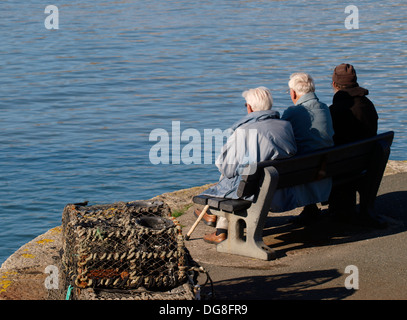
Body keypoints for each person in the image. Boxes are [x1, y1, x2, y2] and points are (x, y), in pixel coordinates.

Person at [197, 86, 297, 244]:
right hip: (280, 187)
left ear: (250, 107)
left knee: (228, 173)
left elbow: (226, 168)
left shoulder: (244, 131)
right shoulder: (285, 126)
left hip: (253, 190)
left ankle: (219, 227)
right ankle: (215, 219)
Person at [281, 72, 334, 224]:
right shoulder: (324, 108)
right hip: (326, 165)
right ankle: (311, 209)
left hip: (305, 170)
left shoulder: (293, 112)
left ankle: (310, 209)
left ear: (293, 93)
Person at [328, 63, 379, 221]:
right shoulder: (368, 105)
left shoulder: (335, 110)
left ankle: (311, 210)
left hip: (343, 168)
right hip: (366, 164)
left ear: (334, 84)